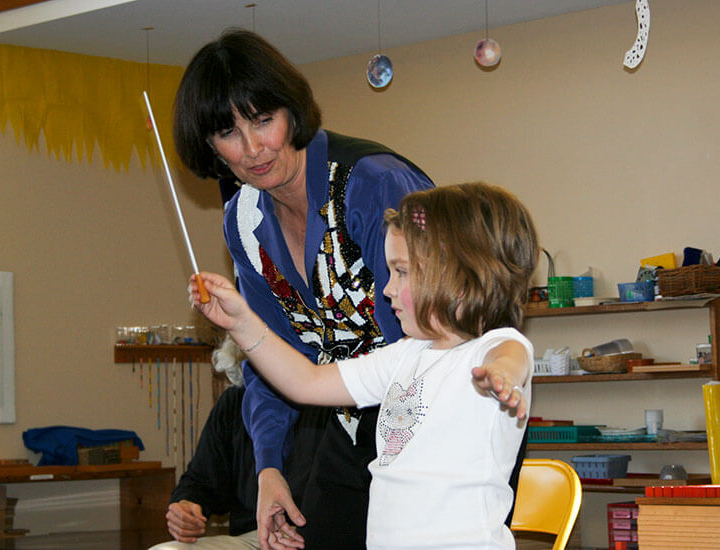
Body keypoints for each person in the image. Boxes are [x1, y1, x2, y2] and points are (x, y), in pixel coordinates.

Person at [173, 28, 434, 549]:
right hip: (350, 430)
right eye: (228, 133)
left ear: (291, 111)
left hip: (435, 423)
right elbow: (271, 354)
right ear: (209, 145)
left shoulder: (372, 184)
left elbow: (429, 344)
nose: (252, 149)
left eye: (264, 121)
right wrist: (269, 468)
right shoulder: (243, 222)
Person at [189, 181, 540, 549]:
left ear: (462, 278)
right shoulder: (406, 355)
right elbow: (306, 382)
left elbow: (510, 360)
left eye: (401, 272)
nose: (386, 289)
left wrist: (502, 377)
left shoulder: (495, 348)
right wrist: (243, 324)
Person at [150, 338, 330, 550]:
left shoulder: (331, 400)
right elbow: (203, 480)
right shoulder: (234, 402)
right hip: (252, 537)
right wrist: (187, 505)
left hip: (316, 535)